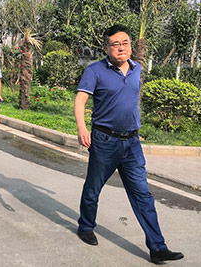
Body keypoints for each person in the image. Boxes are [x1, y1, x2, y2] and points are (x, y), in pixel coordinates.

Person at [75, 25, 183, 264]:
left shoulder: (137, 69)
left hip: (132, 143)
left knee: (143, 195)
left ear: (131, 46)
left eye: (125, 43)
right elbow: (80, 100)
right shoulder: (95, 70)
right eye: (115, 44)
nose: (121, 48)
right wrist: (82, 128)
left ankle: (158, 247)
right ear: (106, 48)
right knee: (93, 188)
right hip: (105, 141)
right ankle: (86, 226)